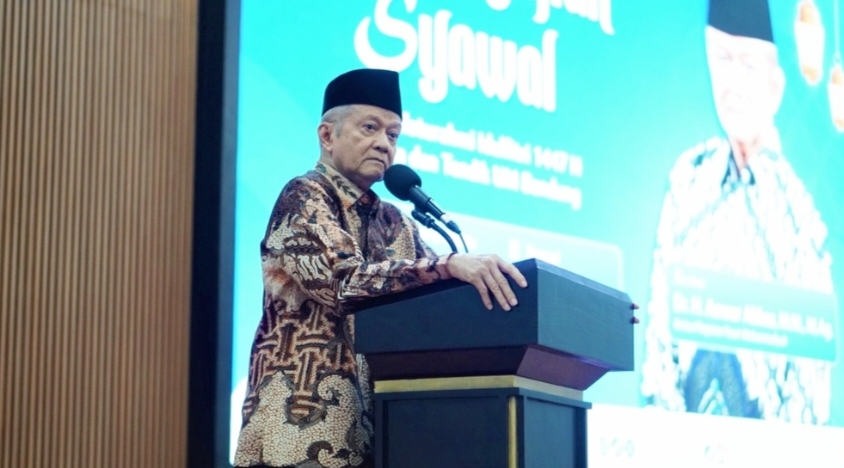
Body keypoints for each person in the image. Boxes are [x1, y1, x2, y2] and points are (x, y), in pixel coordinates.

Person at [233, 68, 528, 468]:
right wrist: (448, 265)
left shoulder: (395, 220)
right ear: (327, 135)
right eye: (370, 128)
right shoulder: (303, 196)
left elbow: (442, 293)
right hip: (302, 426)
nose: (383, 144)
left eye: (393, 135)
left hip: (384, 427)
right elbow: (341, 283)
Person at [641, 0, 834, 423]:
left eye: (749, 65)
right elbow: (659, 342)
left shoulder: (799, 213)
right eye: (723, 60)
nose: (733, 84)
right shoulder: (689, 179)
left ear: (775, 87)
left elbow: (811, 377)